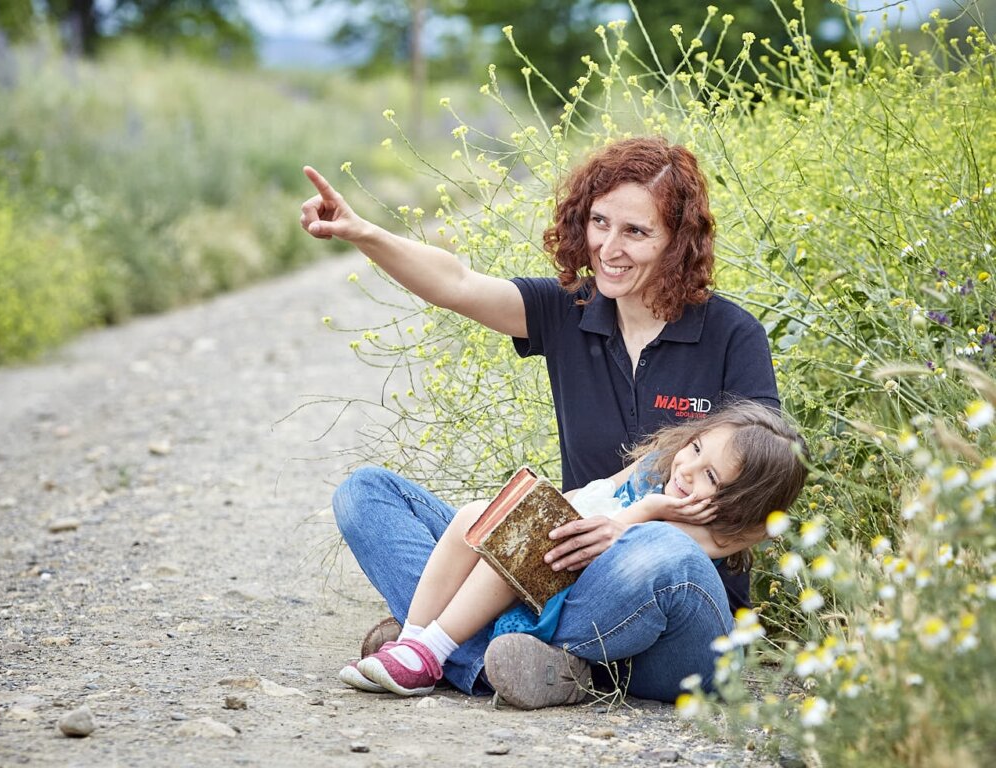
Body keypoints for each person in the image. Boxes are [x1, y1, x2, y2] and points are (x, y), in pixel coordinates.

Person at [302, 136, 780, 705]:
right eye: (600, 222)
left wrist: (628, 531)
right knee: (368, 494)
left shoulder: (732, 336)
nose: (610, 247)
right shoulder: (568, 310)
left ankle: (458, 649)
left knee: (663, 555)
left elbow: (764, 513)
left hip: (673, 610)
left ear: (678, 242)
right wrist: (364, 233)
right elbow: (456, 284)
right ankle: (514, 663)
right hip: (557, 576)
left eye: (637, 231)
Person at [337, 402, 807, 705]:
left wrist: (631, 520)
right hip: (539, 589)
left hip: (616, 631)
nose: (687, 470)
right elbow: (579, 504)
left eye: (711, 477)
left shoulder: (716, 532)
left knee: (659, 547)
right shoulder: (656, 470)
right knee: (367, 491)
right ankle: (434, 649)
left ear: (741, 510)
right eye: (696, 448)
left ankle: (448, 647)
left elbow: (666, 551)